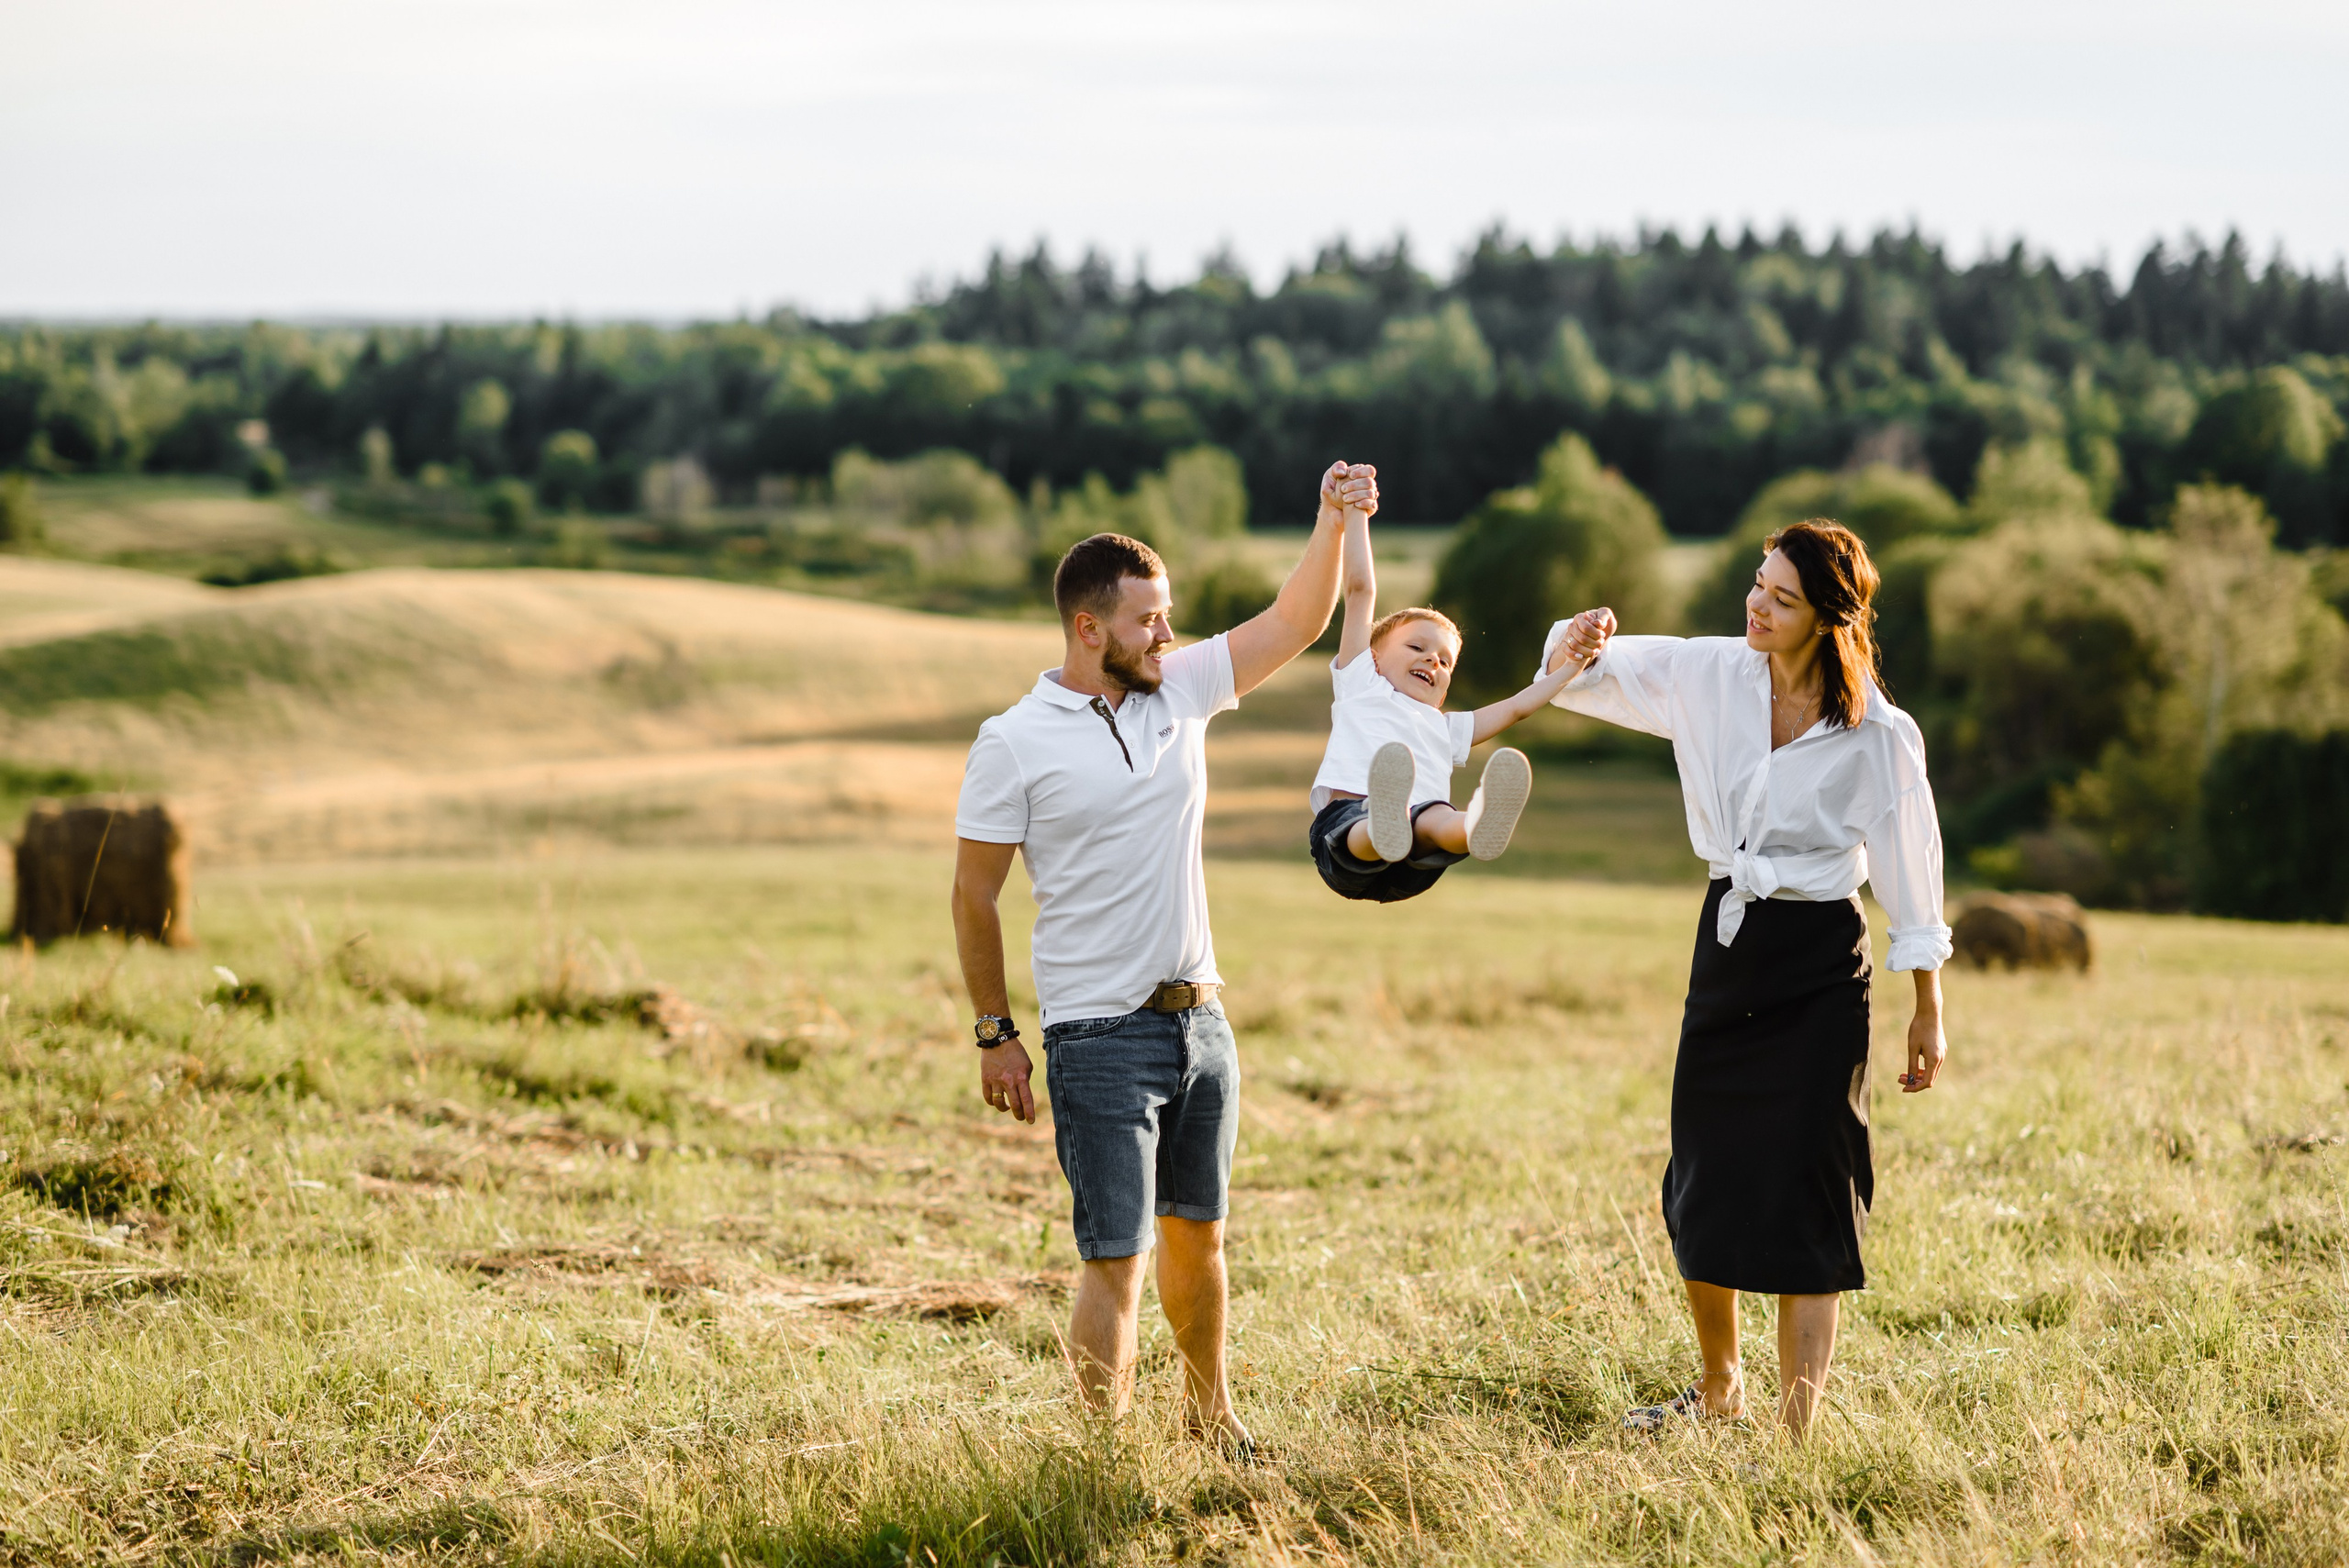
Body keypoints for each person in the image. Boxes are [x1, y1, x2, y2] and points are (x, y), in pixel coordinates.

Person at [950, 461, 1375, 1451]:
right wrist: (994, 1033)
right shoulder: (1011, 740)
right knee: (1117, 1255)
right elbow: (975, 895)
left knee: (1202, 1235)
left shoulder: (1176, 689)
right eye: (1147, 619)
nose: (1166, 634)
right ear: (1087, 628)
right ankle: (1102, 1448)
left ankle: (1210, 1418)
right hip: (1096, 1033)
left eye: (1169, 615)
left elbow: (1296, 620)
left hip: (1202, 1019)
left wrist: (1327, 515)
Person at [1541, 517, 1952, 1441]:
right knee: (1706, 1174)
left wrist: (1928, 1004)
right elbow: (1576, 670)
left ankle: (1795, 1432)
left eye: (1780, 597)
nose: (1756, 606)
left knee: (1810, 1187)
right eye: (1756, 584)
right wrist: (1582, 631)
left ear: (1828, 617)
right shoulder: (1707, 673)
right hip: (1728, 942)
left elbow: (1910, 872)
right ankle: (1718, 1387)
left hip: (1820, 963)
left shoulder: (1876, 734)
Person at [1307, 488, 1594, 902]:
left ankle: (1474, 824)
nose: (1433, 662)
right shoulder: (1360, 683)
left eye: (1445, 662)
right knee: (1370, 821)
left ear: (1443, 694)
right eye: (1417, 648)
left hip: (1418, 856)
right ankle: (1387, 823)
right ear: (1373, 658)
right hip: (1348, 844)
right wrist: (1357, 514)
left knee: (1434, 816)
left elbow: (1516, 707)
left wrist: (1571, 668)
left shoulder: (1442, 727)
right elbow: (1359, 592)